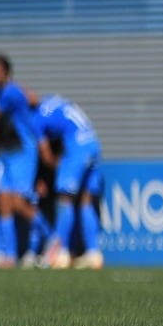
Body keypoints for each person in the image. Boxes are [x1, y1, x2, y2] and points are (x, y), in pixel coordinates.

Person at [0, 55, 47, 268]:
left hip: (22, 152)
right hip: (6, 154)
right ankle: (9, 256)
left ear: (7, 73)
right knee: (3, 202)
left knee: (20, 203)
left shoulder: (11, 92)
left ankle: (52, 238)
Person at [36, 93, 104, 269]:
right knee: (86, 201)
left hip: (77, 149)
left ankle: (62, 252)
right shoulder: (56, 101)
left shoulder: (36, 118)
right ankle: (94, 253)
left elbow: (46, 156)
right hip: (93, 143)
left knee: (64, 199)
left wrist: (58, 168)